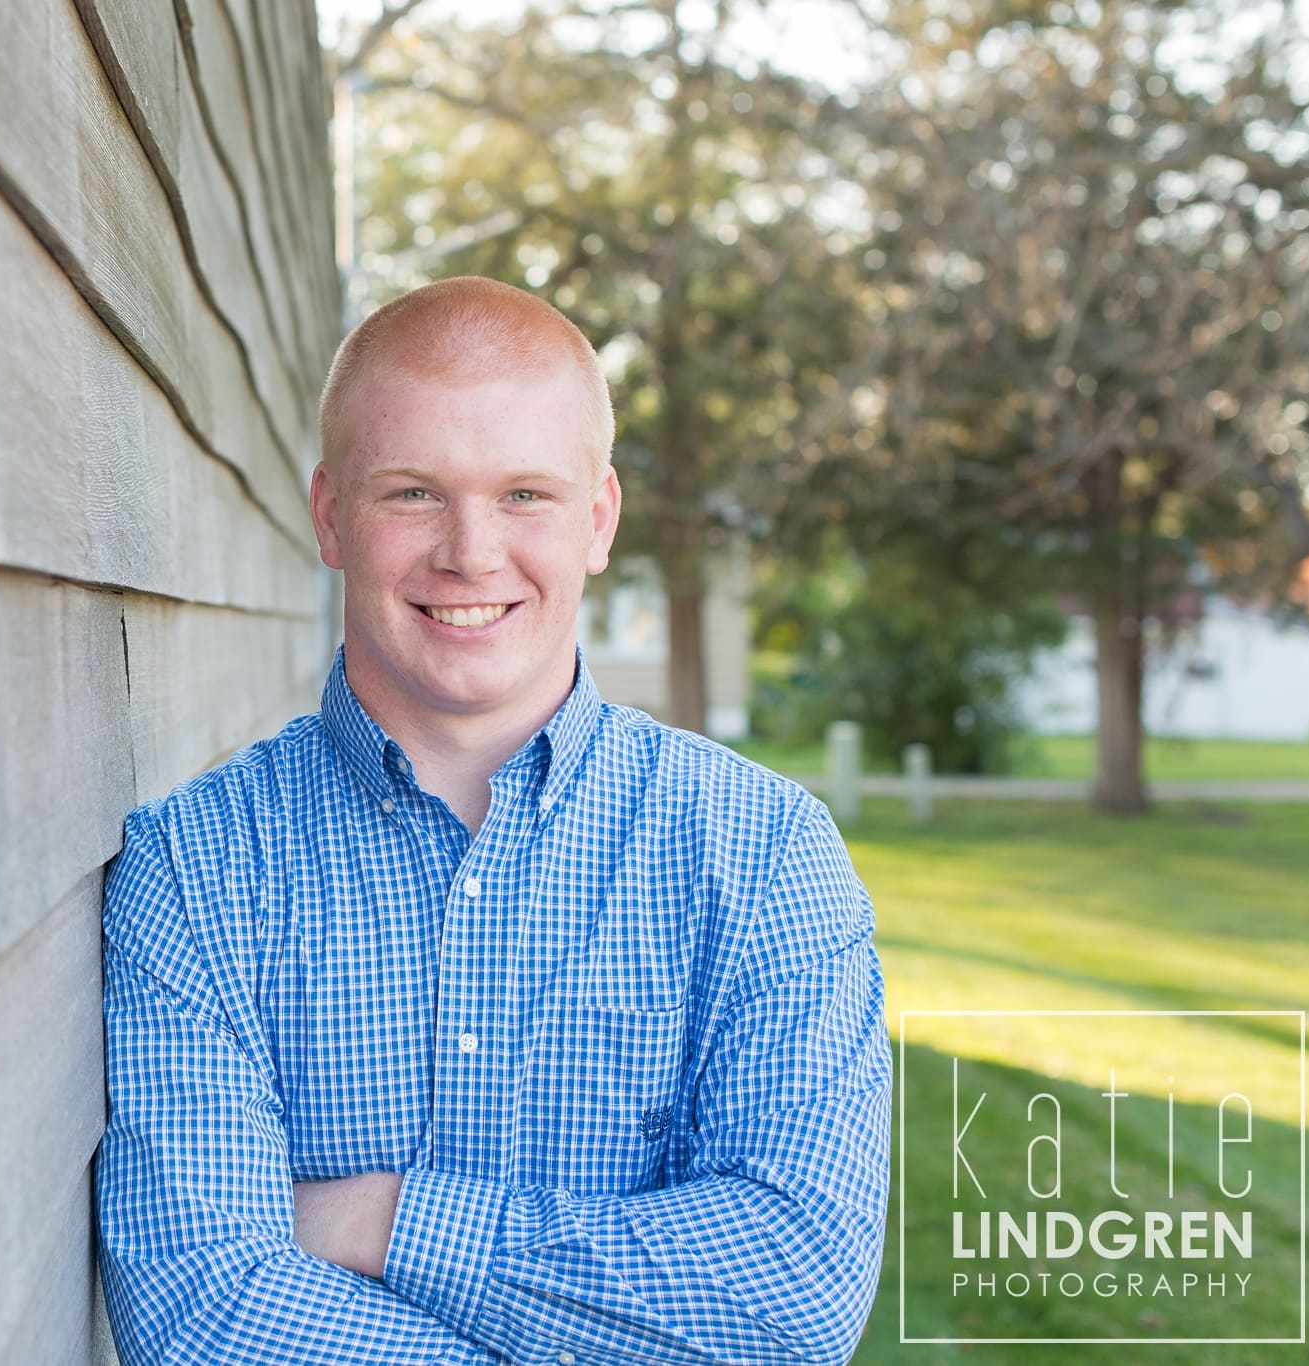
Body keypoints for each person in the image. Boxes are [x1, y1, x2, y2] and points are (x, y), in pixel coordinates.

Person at [95, 277, 890, 1365]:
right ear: (331, 516)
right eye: (413, 493)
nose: (470, 553)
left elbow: (792, 1293)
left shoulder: (761, 855)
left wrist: (375, 1219)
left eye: (525, 494)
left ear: (597, 519)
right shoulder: (197, 866)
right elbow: (206, 1319)